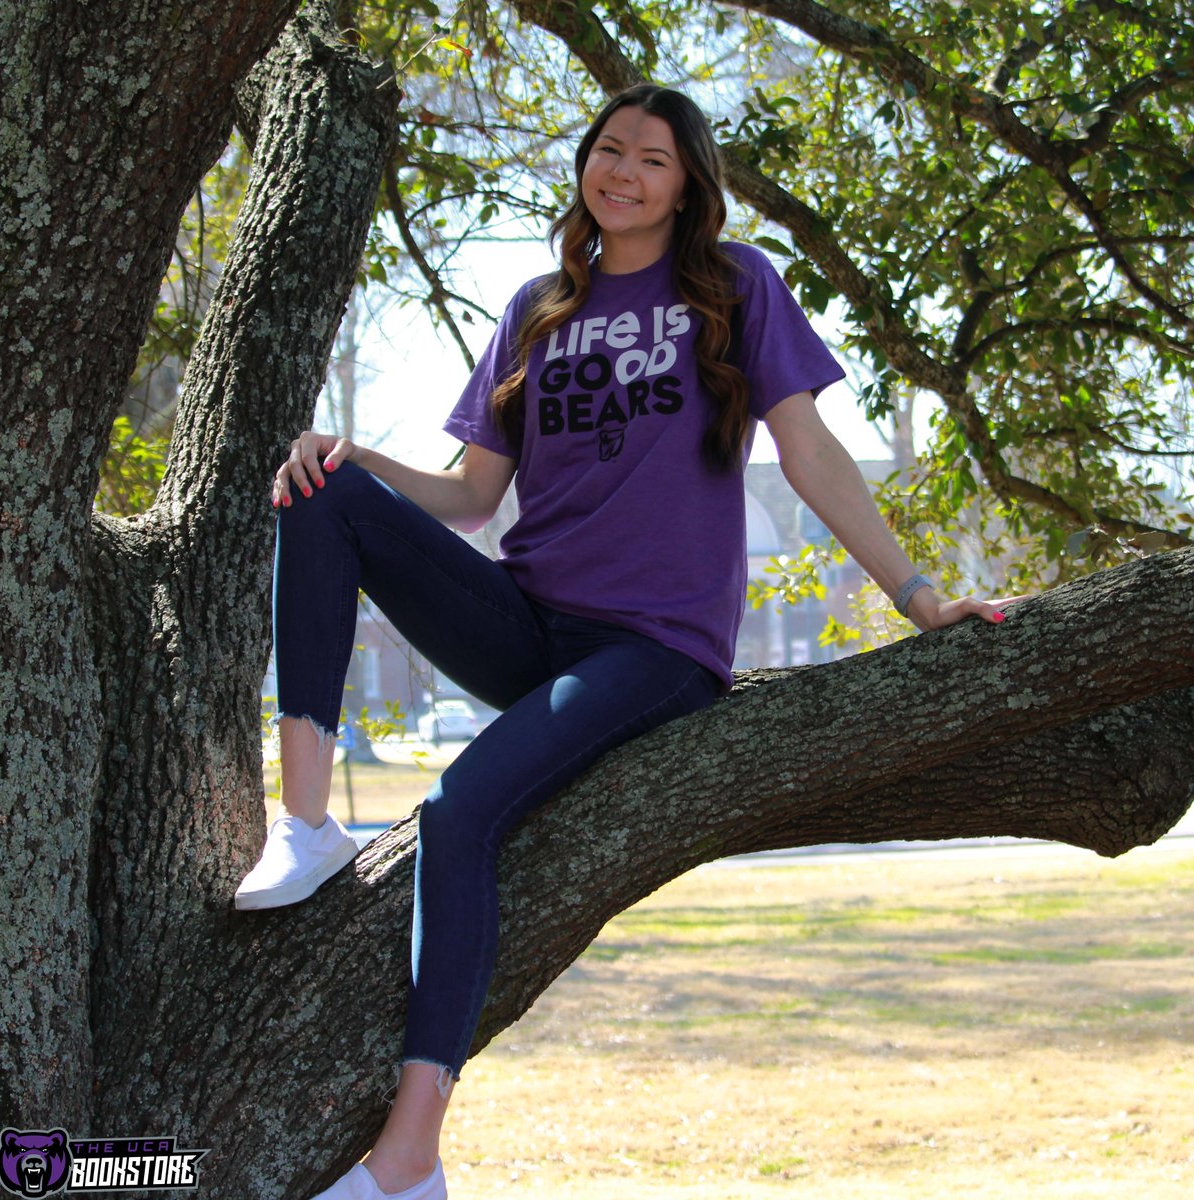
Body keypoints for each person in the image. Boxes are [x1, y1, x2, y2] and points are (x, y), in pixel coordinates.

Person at [234, 84, 1007, 1200]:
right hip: (526, 622)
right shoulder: (537, 305)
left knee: (457, 814)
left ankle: (407, 1162)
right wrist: (352, 456)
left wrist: (919, 595)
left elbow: (809, 451)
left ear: (687, 184)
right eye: (609, 149)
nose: (624, 171)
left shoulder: (734, 286)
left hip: (653, 647)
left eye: (652, 157)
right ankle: (306, 825)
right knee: (323, 489)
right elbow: (470, 495)